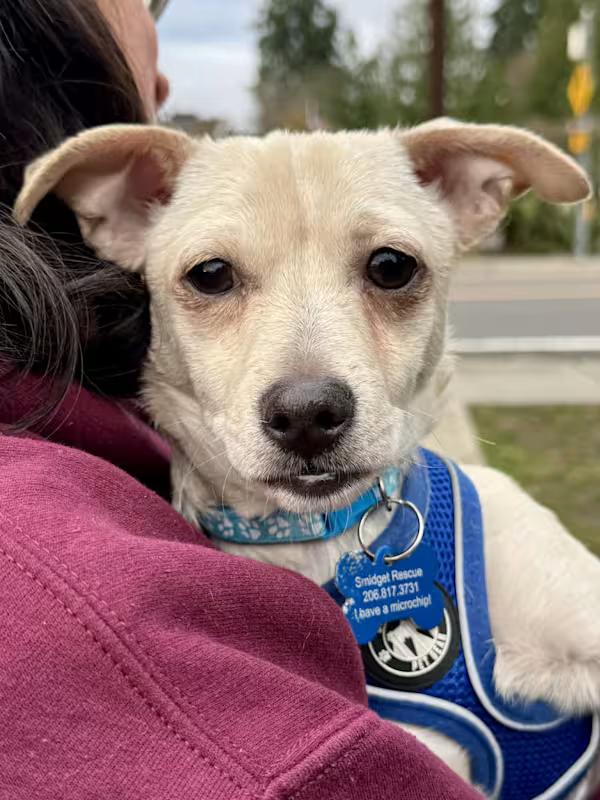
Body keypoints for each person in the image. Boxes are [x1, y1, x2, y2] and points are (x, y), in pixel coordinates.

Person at [0, 1, 480, 797]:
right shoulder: (58, 588)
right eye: (214, 278)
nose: (306, 395)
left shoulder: (97, 431)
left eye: (389, 270)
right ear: (119, 211)